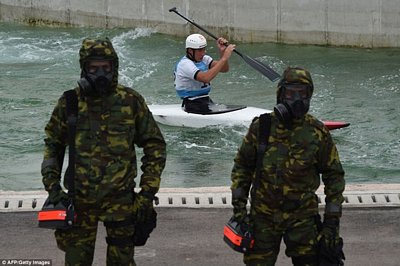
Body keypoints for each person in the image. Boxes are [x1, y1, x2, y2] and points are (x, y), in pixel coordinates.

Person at [41, 37, 167, 265]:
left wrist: (147, 194)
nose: (100, 74)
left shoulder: (130, 101)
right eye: (93, 68)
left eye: (105, 68)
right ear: (84, 69)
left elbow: (154, 144)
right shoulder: (70, 102)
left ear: (114, 67)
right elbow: (53, 145)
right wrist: (53, 189)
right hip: (79, 201)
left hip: (121, 202)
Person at [230, 67, 345, 265]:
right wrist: (240, 213)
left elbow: (334, 177)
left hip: (302, 220)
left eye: (303, 94)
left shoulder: (317, 132)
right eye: (292, 93)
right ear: (281, 94)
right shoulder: (262, 127)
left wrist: (331, 224)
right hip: (263, 219)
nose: (297, 100)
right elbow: (242, 169)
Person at [174, 33, 236, 114]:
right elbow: (205, 78)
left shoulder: (204, 59)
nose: (203, 53)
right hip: (191, 103)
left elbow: (224, 69)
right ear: (190, 51)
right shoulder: (185, 64)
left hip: (206, 100)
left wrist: (222, 52)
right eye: (200, 50)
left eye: (204, 49)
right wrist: (224, 58)